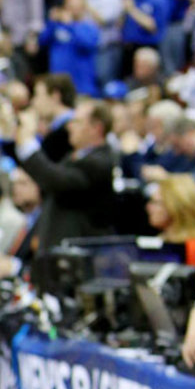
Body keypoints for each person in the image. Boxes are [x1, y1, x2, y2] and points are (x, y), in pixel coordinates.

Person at [15, 97, 117, 265]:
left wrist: (27, 141)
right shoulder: (74, 156)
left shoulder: (100, 162)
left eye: (76, 122)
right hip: (57, 257)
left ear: (96, 128)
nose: (69, 126)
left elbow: (56, 180)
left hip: (80, 263)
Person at [145, 172, 195, 272]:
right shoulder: (162, 241)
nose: (148, 207)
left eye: (155, 202)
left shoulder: (194, 250)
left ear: (174, 207)